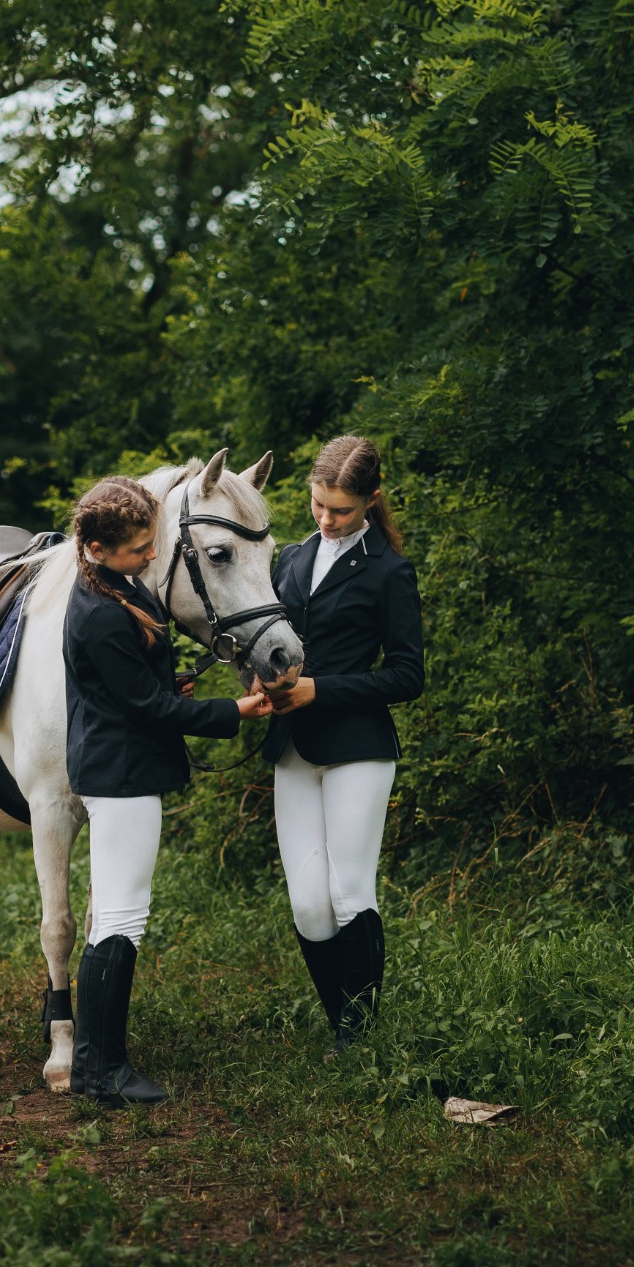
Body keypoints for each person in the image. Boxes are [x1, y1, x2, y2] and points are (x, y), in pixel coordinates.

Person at [64, 475, 271, 1106]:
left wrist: (169, 681)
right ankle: (103, 1072)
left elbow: (133, 685)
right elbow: (145, 709)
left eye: (153, 543)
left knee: (117, 917)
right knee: (120, 919)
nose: (151, 555)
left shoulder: (115, 588)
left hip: (122, 768)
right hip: (121, 775)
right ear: (97, 549)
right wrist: (234, 712)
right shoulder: (101, 611)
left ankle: (97, 1066)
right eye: (137, 549)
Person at [261, 436, 424, 1048]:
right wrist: (260, 679)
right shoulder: (291, 559)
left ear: (371, 500)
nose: (327, 520)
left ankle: (357, 1039)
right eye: (318, 505)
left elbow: (408, 675)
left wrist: (320, 689)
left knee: (348, 891)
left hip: (358, 746)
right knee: (307, 904)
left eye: (341, 510)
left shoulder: (389, 570)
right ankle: (345, 1025)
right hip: (291, 749)